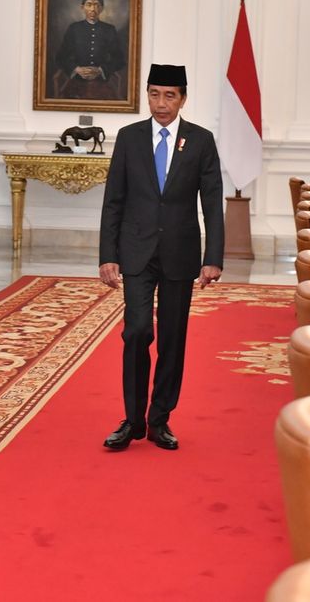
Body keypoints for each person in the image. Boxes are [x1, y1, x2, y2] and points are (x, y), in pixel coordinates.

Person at [98, 63, 224, 451]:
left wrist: (212, 257)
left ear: (182, 98)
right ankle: (132, 420)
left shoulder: (201, 141)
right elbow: (113, 200)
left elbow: (212, 204)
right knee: (137, 331)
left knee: (172, 338)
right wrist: (107, 255)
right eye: (154, 94)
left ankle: (159, 420)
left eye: (169, 95)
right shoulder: (130, 137)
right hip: (136, 252)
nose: (161, 103)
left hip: (180, 253)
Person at [53, 0, 126, 100]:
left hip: (102, 82)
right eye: (89, 5)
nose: (93, 9)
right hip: (75, 81)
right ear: (82, 7)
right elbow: (60, 57)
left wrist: (100, 70)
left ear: (101, 9)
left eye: (96, 5)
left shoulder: (109, 30)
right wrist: (77, 69)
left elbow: (120, 60)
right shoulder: (74, 28)